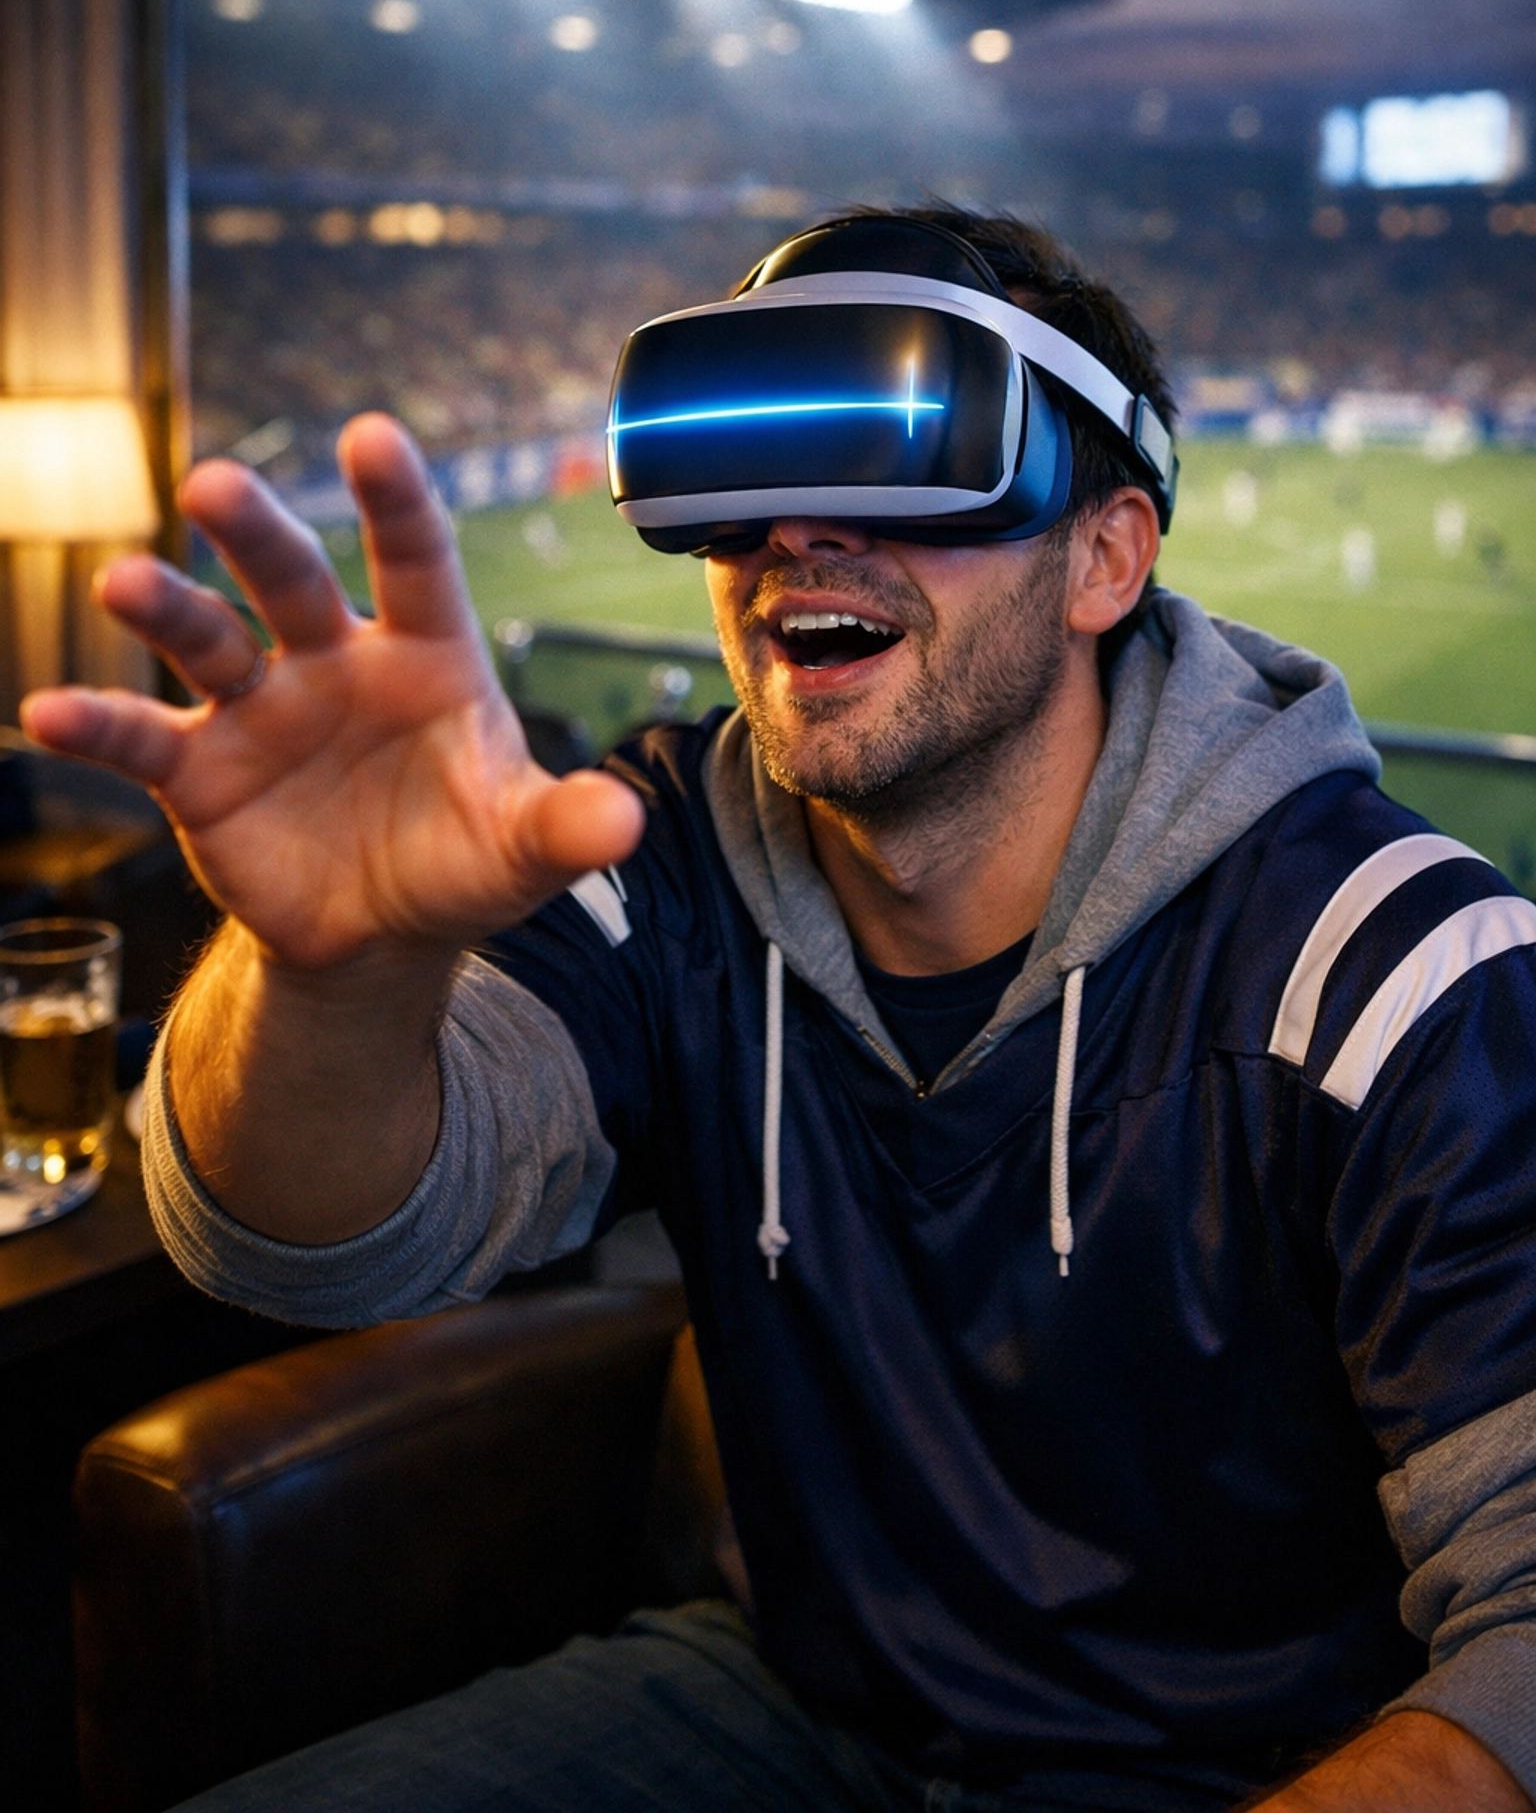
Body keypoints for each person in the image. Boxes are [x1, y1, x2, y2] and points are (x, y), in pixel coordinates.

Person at [25, 210, 1536, 1813]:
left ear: (1106, 557)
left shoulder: (1393, 963)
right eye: (739, 474)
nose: (797, 535)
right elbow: (305, 1245)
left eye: (905, 459)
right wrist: (333, 973)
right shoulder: (654, 854)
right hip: (797, 1701)